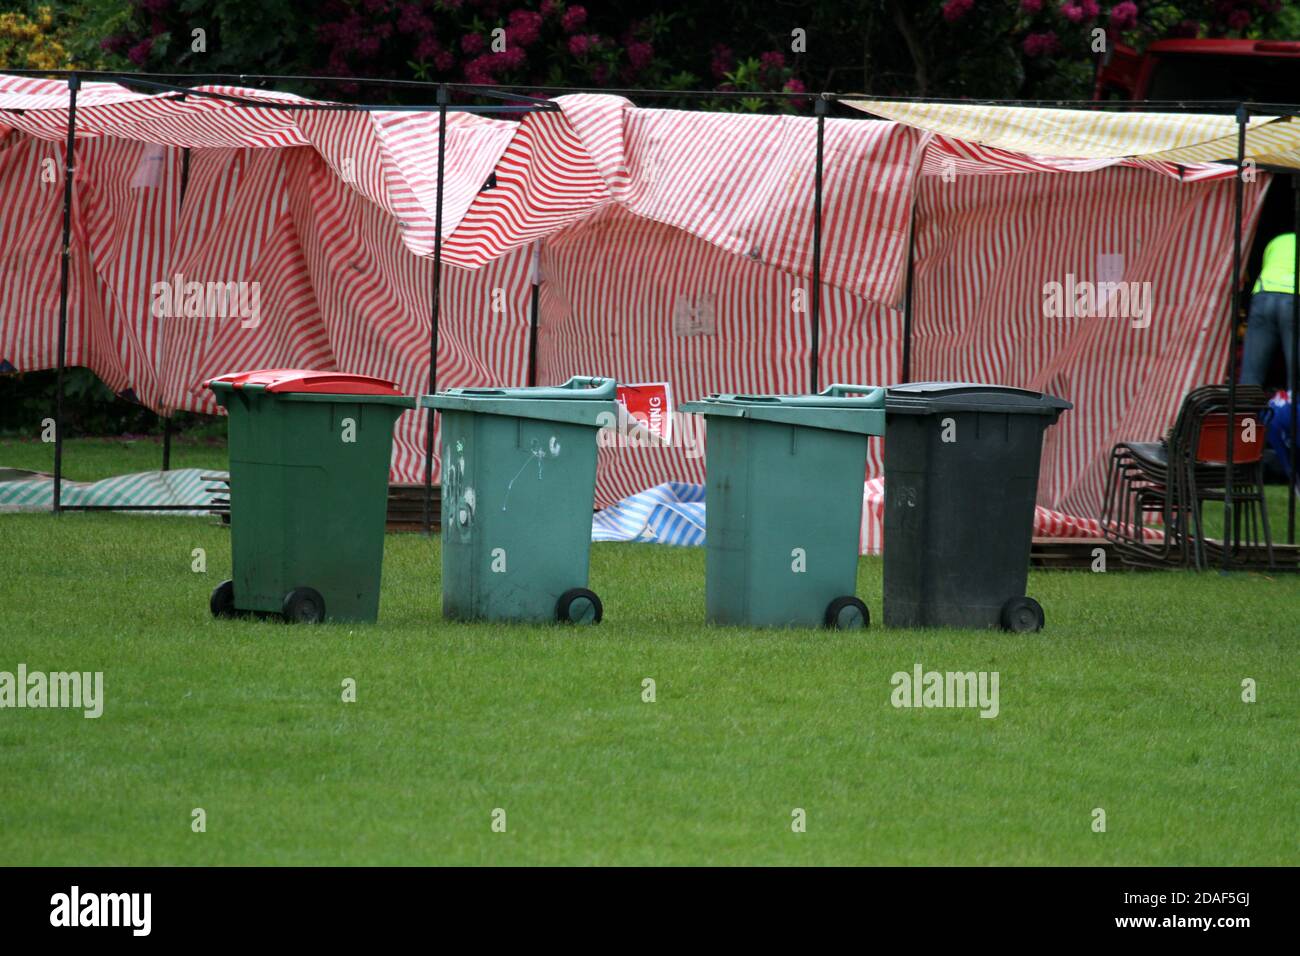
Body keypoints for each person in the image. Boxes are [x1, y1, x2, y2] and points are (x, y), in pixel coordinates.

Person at [1240, 231, 1297, 391]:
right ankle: (1293, 413)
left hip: (1263, 295)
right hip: (1294, 299)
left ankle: (1246, 416)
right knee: (1296, 376)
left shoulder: (1277, 240)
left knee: (1251, 375)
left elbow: (1266, 266)